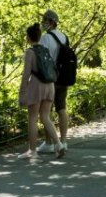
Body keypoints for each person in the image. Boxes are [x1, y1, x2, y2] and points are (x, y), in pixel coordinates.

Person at [18, 23, 63, 160]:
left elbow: (26, 74)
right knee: (45, 117)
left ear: (28, 37)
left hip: (37, 86)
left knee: (32, 118)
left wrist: (22, 93)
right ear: (39, 36)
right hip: (50, 86)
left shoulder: (30, 52)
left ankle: (32, 150)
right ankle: (58, 145)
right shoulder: (45, 49)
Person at [39, 10, 70, 155]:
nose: (43, 23)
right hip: (63, 77)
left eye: (45, 20)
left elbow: (41, 58)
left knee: (47, 111)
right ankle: (63, 141)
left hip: (49, 78)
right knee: (61, 108)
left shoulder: (45, 38)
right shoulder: (64, 37)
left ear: (51, 22)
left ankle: (49, 143)